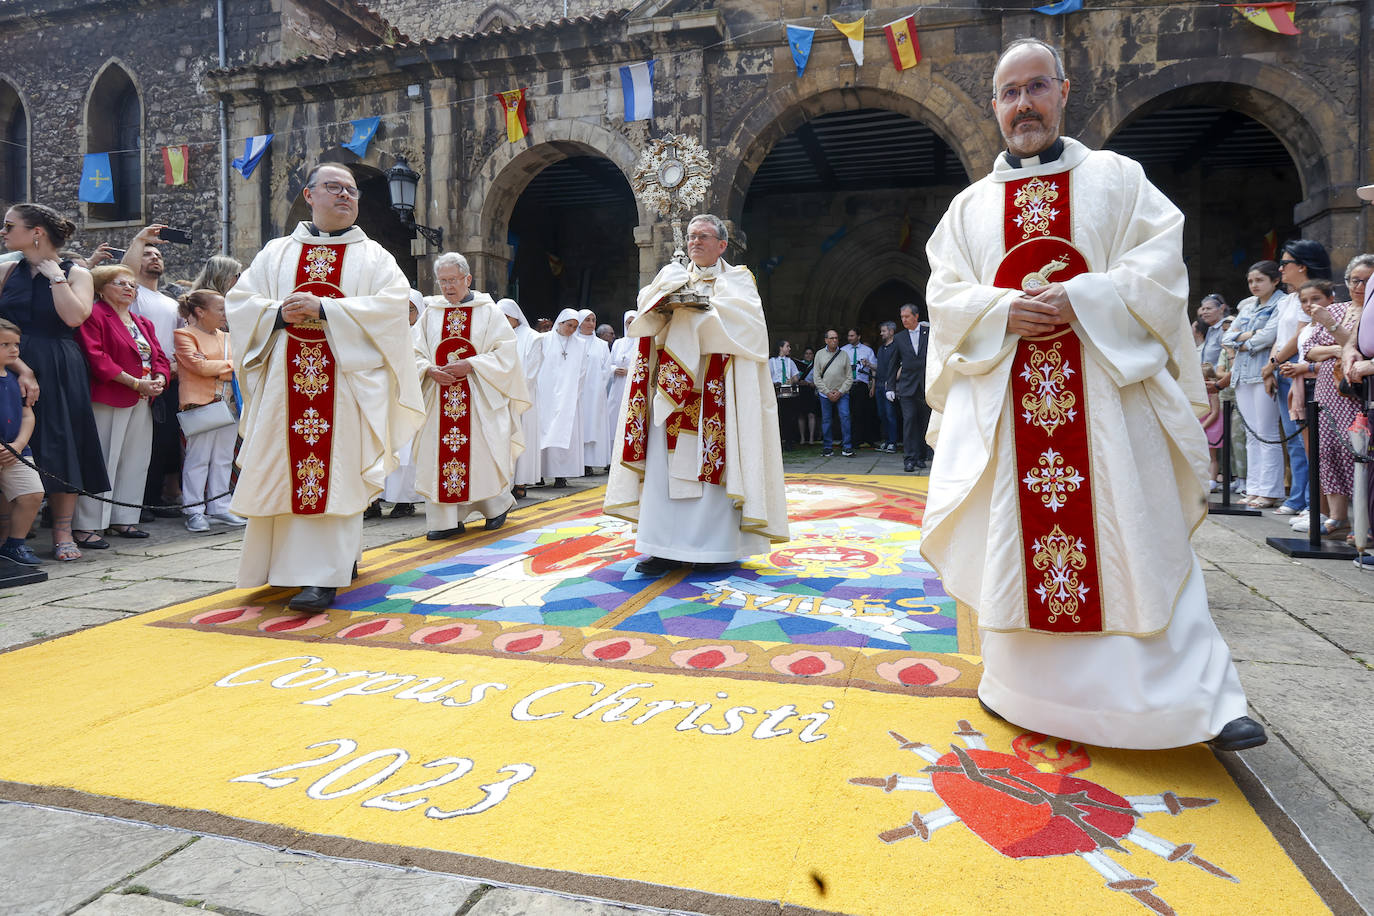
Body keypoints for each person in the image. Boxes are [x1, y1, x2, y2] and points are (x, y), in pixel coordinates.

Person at [921, 38, 1262, 752]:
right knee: (1021, 546)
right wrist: (999, 312)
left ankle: (1195, 701)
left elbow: (1162, 268)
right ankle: (1024, 691)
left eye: (1036, 86)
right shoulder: (967, 208)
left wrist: (1085, 297)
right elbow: (945, 297)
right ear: (993, 107)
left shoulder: (1118, 177)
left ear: (1064, 90)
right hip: (1012, 409)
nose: (1024, 104)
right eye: (1009, 93)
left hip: (1107, 402)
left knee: (1140, 534)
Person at [226, 163, 425, 610]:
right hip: (284, 384)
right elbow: (240, 304)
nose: (345, 196)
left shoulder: (374, 257)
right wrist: (279, 314)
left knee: (336, 474)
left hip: (345, 386)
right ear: (308, 195)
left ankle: (321, 574)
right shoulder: (276, 253)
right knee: (287, 471)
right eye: (333, 188)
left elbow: (393, 310)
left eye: (352, 190)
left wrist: (328, 309)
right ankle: (285, 567)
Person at [604, 213, 788, 574]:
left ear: (722, 245)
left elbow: (750, 332)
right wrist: (669, 310)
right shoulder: (670, 278)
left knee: (713, 472)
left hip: (715, 393)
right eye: (691, 236)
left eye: (704, 236)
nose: (695, 242)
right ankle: (662, 548)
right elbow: (645, 319)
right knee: (662, 472)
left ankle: (713, 549)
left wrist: (692, 318)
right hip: (671, 392)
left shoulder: (739, 282)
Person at [0, 203, 105, 562]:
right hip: (11, 363)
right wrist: (21, 368)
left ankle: (62, 531)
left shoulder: (77, 273)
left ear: (36, 233)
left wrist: (55, 277)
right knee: (10, 441)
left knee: (63, 444)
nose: (3, 232)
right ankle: (11, 533)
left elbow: (75, 317)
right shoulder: (7, 269)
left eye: (9, 226)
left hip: (60, 365)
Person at [413, 252, 528, 540]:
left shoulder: (487, 312)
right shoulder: (431, 313)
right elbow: (412, 352)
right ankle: (445, 521)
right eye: (443, 281)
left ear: (468, 279)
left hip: (477, 396)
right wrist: (427, 369)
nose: (448, 287)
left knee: (481, 452)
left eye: (453, 280)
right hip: (439, 398)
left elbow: (506, 353)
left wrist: (472, 364)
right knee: (438, 455)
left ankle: (496, 506)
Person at [72, 264, 171, 544]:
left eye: (132, 285)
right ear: (101, 288)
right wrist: (134, 382)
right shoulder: (94, 315)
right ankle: (87, 525)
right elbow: (97, 357)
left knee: (135, 459)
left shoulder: (143, 322)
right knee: (104, 458)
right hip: (110, 395)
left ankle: (123, 519)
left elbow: (159, 356)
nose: (129, 288)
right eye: (121, 283)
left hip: (143, 397)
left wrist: (160, 379)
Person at [122, 226, 184, 517]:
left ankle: (155, 498)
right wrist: (140, 242)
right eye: (148, 254)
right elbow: (124, 271)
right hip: (139, 379)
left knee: (164, 442)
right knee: (137, 443)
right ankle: (137, 503)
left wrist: (174, 367)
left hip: (168, 378)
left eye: (158, 254)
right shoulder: (132, 294)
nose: (154, 258)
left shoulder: (172, 303)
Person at [1295, 276, 1362, 539]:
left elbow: (1358, 349)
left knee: (1353, 449)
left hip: (1354, 390)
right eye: (1354, 280)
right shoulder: (1336, 309)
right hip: (1326, 387)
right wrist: (1338, 348)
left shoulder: (1365, 313)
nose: (1359, 286)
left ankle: (1362, 520)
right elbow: (1310, 350)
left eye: (1366, 280)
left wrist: (1335, 339)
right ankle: (1337, 517)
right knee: (1326, 450)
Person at [1269, 243, 1331, 516]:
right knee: (1293, 438)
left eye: (1285, 263)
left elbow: (1298, 339)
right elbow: (1279, 337)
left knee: (1308, 438)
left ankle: (1311, 501)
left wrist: (1276, 362)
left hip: (1299, 366)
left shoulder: (1314, 297)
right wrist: (1271, 365)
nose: (1281, 268)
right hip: (1282, 365)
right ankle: (1297, 497)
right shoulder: (1288, 299)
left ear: (1302, 265)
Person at [175, 288, 243, 532]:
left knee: (224, 458)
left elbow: (238, 365)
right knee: (198, 458)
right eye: (220, 309)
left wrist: (218, 366)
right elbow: (198, 366)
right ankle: (193, 510)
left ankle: (220, 506)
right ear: (200, 312)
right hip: (201, 404)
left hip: (229, 404)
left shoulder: (227, 337)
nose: (225, 314)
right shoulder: (184, 334)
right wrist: (230, 366)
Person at [1221, 261, 1285, 508]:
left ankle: (1270, 490)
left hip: (1263, 373)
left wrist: (1242, 339)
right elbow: (1227, 336)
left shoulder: (1281, 303)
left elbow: (1270, 336)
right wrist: (1246, 338)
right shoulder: (1248, 306)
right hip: (1242, 374)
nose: (1254, 285)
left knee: (1266, 433)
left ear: (1274, 280)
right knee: (1251, 434)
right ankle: (1255, 487)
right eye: (1251, 281)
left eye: (1259, 280)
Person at [0, 318, 45, 566]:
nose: (14, 350)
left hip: (16, 449)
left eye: (16, 344)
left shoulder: (16, 380)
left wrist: (18, 445)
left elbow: (28, 414)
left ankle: (14, 545)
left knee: (32, 493)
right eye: (5, 344)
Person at [536, 309, 587, 488]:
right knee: (542, 431)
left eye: (575, 326)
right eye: (569, 325)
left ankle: (561, 475)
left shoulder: (580, 344)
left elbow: (582, 371)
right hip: (546, 393)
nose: (572, 329)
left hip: (569, 395)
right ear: (560, 322)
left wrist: (574, 393)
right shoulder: (544, 340)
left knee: (565, 434)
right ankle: (539, 473)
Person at [500, 297, 543, 500]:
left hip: (523, 397)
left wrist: (513, 392)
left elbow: (531, 373)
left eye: (506, 316)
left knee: (522, 437)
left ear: (515, 317)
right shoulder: (497, 337)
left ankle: (520, 481)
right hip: (500, 398)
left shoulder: (533, 338)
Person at [886, 303, 931, 472]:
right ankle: (909, 458)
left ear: (916, 316)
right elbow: (893, 364)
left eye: (907, 316)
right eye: (902, 317)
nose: (904, 320)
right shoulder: (899, 338)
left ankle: (921, 457)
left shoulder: (929, 333)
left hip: (926, 386)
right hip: (906, 387)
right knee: (910, 421)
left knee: (923, 422)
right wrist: (890, 386)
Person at [578, 308, 612, 474]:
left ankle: (590, 462)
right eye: (587, 320)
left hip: (595, 392)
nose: (591, 323)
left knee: (593, 425)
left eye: (593, 320)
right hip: (577, 392)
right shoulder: (573, 341)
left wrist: (598, 386)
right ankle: (578, 462)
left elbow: (606, 368)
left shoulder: (602, 345)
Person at [810, 329, 853, 457]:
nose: (835, 340)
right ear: (826, 340)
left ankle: (847, 447)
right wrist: (827, 392)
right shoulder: (819, 354)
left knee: (845, 417)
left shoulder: (844, 354)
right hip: (825, 394)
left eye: (836, 338)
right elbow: (816, 377)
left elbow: (849, 377)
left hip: (842, 393)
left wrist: (840, 392)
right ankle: (827, 447)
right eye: (832, 338)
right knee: (826, 420)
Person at [605, 310, 636, 453]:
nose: (631, 325)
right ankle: (613, 454)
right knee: (614, 418)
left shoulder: (642, 342)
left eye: (634, 321)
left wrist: (629, 371)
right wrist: (614, 369)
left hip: (633, 386)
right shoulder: (618, 343)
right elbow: (609, 363)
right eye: (629, 322)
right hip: (617, 387)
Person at [841, 328, 878, 448]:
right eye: (849, 336)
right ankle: (847, 439)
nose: (849, 338)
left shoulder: (867, 351)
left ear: (859, 336)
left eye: (852, 336)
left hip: (861, 384)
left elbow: (875, 368)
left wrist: (872, 386)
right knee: (847, 413)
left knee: (860, 412)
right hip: (846, 385)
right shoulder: (843, 350)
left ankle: (858, 439)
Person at [768, 339, 802, 450]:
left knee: (788, 417)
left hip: (788, 393)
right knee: (777, 418)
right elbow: (766, 377)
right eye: (787, 346)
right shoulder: (771, 361)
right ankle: (776, 442)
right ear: (780, 348)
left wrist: (791, 380)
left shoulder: (790, 362)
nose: (789, 348)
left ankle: (788, 441)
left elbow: (796, 376)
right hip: (776, 393)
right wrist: (774, 383)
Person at [873, 321, 900, 452]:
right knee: (881, 414)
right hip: (878, 385)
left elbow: (901, 366)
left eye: (883, 331)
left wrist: (892, 382)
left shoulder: (897, 346)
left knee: (890, 414)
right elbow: (879, 367)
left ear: (891, 331)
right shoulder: (881, 348)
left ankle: (893, 443)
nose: (881, 333)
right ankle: (886, 440)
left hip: (889, 386)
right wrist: (869, 365)